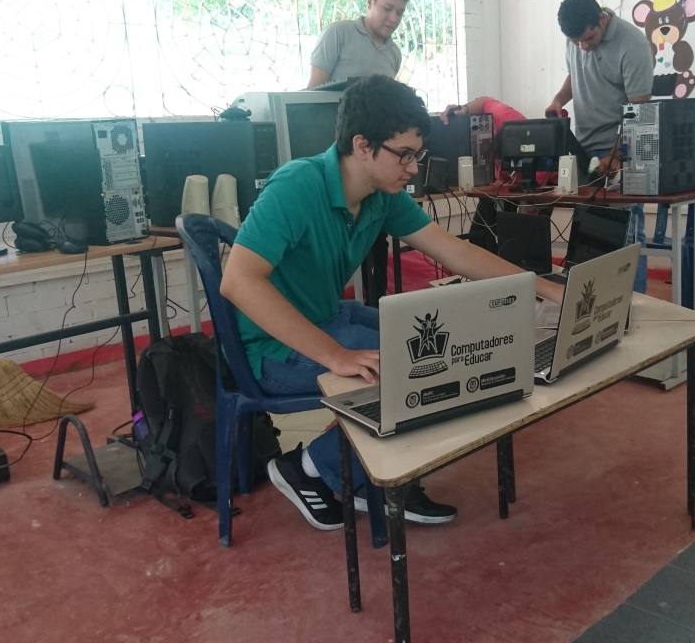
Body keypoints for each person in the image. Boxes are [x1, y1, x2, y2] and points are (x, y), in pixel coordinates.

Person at [220, 75, 565, 532]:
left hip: (327, 318)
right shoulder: (296, 186)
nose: (412, 168)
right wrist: (333, 356)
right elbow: (238, 281)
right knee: (419, 370)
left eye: (416, 155)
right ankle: (309, 467)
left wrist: (541, 286)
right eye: (404, 154)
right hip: (270, 348)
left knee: (449, 352)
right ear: (362, 146)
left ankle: (359, 476)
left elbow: (454, 251)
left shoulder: (381, 197)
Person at [547, 0, 654, 159]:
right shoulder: (575, 37)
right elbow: (575, 75)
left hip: (617, 149)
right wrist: (558, 100)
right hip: (581, 147)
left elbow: (639, 108)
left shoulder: (633, 44)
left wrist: (615, 157)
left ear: (602, 19)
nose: (583, 47)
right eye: (576, 42)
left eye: (589, 38)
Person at [307, 0, 411, 88]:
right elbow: (313, 92)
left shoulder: (395, 54)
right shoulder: (338, 34)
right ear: (370, 1)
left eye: (399, 13)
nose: (394, 18)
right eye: (387, 9)